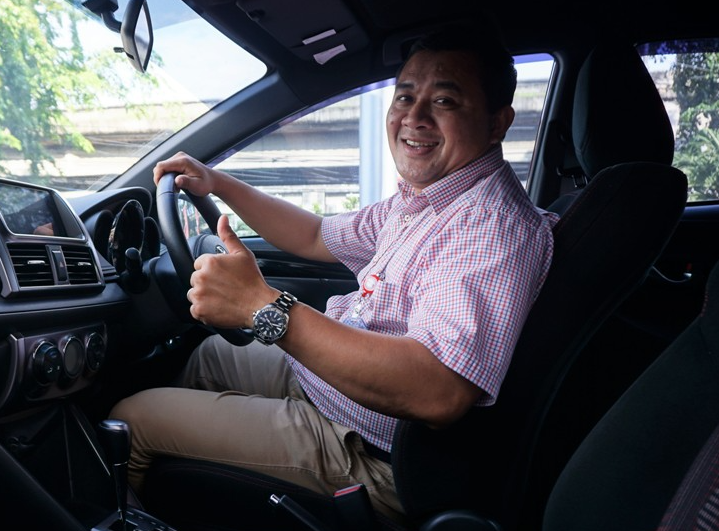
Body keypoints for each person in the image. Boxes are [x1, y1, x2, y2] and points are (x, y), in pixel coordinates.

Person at [109, 24, 557, 522]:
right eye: (405, 96)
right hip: (334, 390)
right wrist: (218, 182)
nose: (414, 116)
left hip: (372, 452)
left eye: (445, 101)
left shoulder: (490, 226)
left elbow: (438, 391)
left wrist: (260, 305)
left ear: (497, 123)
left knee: (131, 422)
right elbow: (314, 235)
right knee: (210, 356)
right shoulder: (428, 201)